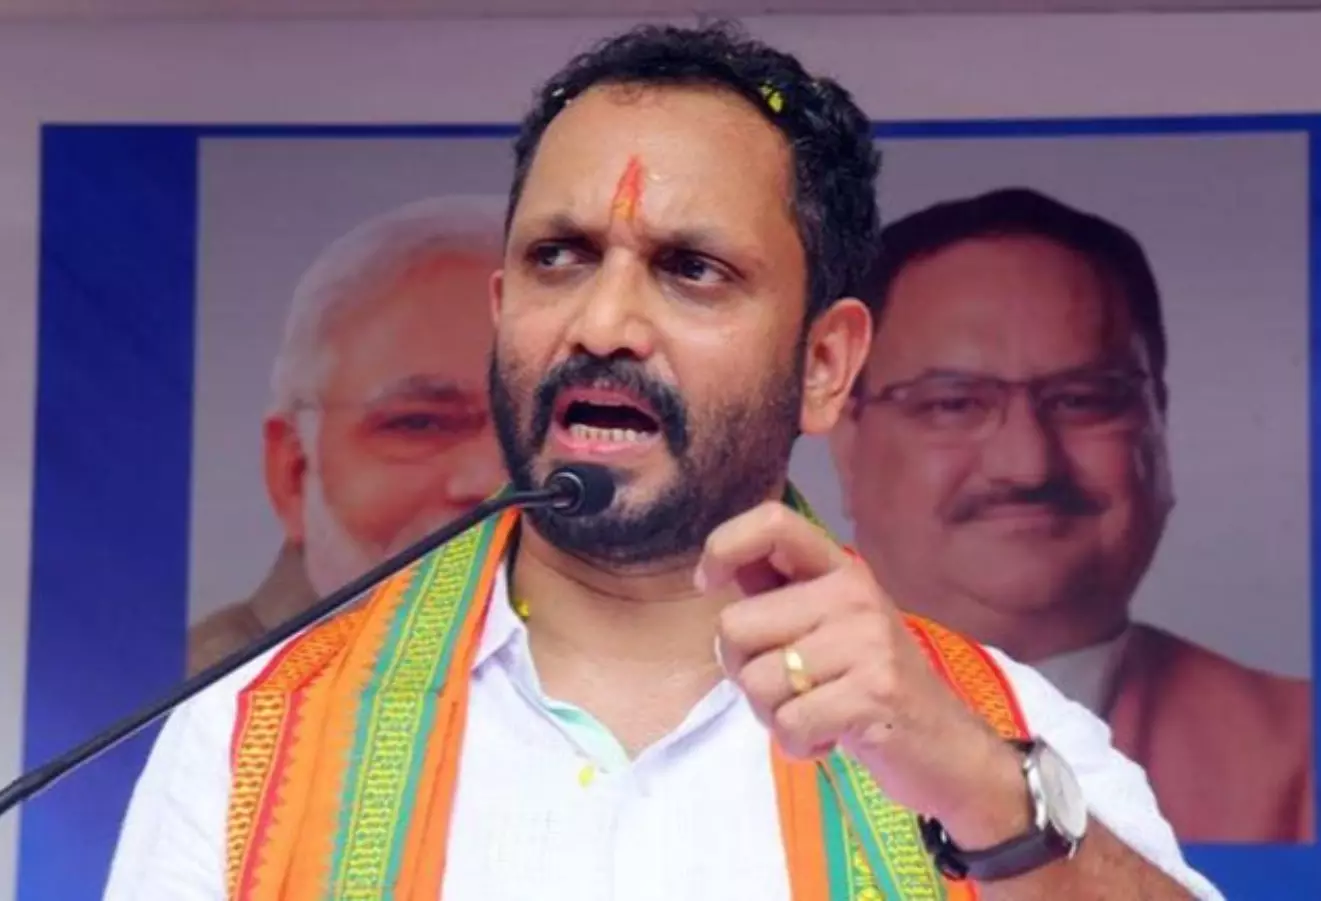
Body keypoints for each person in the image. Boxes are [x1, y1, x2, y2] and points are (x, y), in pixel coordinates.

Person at [106, 24, 1223, 899]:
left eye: (690, 268)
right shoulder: (257, 735)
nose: (602, 323)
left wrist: (985, 795)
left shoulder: (994, 730)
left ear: (825, 365)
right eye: (559, 257)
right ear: (501, 313)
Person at [829, 186, 1312, 843]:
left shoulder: (1305, 759)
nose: (1027, 465)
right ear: (847, 443)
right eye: (953, 403)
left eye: (1084, 400)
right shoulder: (731, 739)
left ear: (1158, 423)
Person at [187, 195, 509, 675]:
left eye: (538, 427)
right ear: (292, 472)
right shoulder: (197, 701)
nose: (490, 480)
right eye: (420, 424)